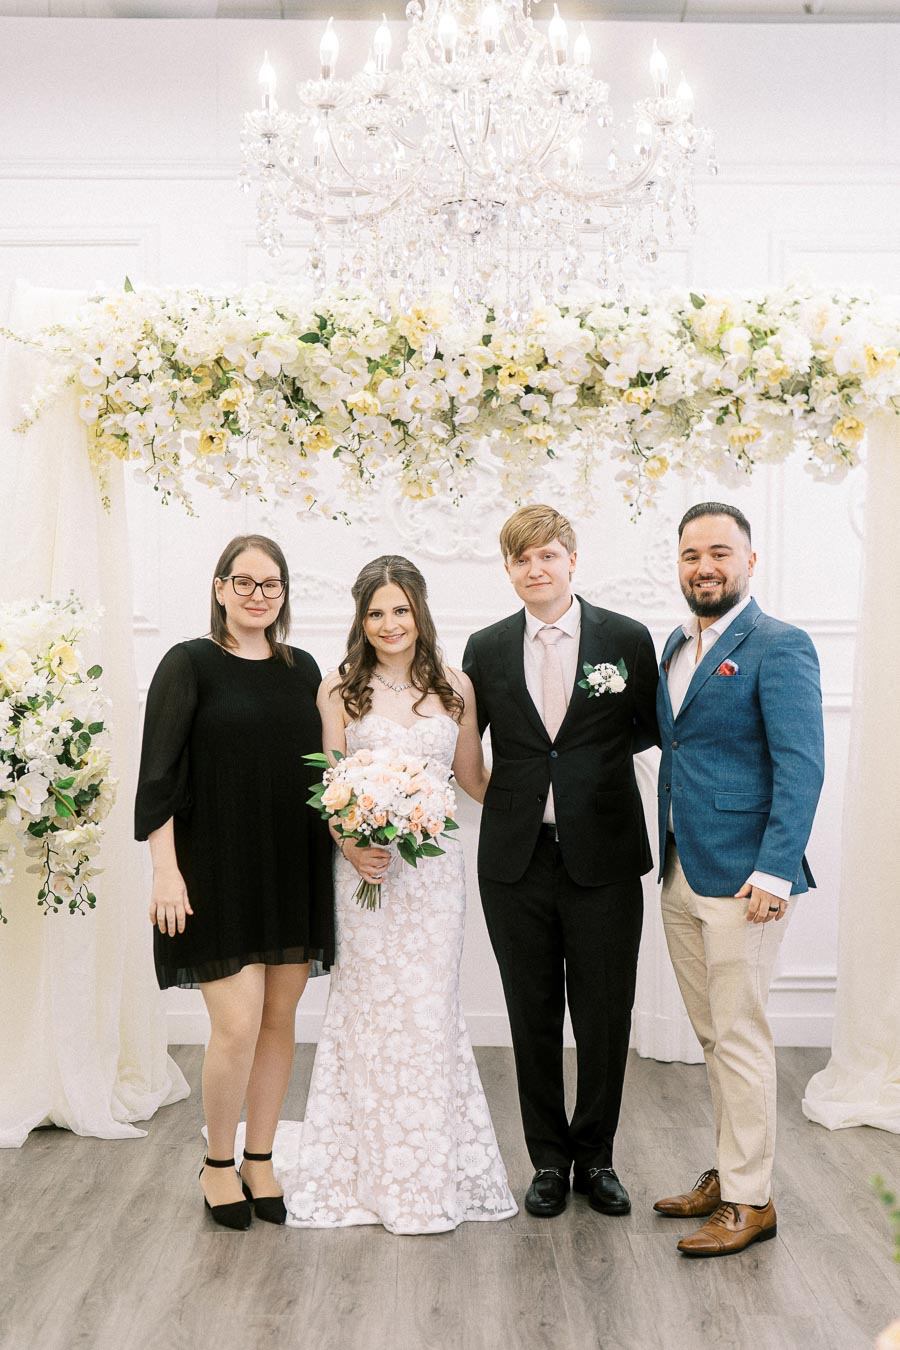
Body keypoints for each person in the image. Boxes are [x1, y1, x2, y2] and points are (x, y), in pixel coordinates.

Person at [279, 555, 517, 1235]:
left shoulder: (455, 685)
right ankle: (364, 1173)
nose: (389, 624)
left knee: (427, 1012)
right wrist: (352, 843)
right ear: (361, 619)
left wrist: (552, 808)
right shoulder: (338, 691)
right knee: (368, 1014)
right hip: (367, 873)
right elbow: (331, 785)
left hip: (435, 878)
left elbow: (473, 779)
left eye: (401, 610)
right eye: (376, 612)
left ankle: (429, 1173)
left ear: (421, 612)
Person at [462, 504, 659, 1220]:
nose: (535, 570)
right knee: (532, 1014)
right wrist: (513, 802)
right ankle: (548, 1160)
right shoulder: (484, 648)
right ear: (508, 569)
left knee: (605, 1015)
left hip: (604, 858)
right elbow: (465, 745)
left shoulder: (626, 639)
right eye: (521, 560)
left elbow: (646, 728)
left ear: (571, 559)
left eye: (547, 556)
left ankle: (597, 1158)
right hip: (515, 865)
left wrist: (584, 786)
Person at [135, 534, 334, 1231]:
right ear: (220, 587)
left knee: (281, 1020)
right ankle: (217, 1162)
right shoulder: (187, 663)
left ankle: (260, 1157)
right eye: (244, 582)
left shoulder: (301, 666)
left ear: (283, 594)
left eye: (271, 584)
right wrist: (166, 870)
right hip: (214, 869)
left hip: (291, 863)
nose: (257, 595)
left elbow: (324, 765)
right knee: (237, 1024)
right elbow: (157, 776)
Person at [653, 502, 824, 1257]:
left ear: (750, 561)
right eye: (692, 555)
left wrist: (776, 873)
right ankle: (731, 1170)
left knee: (743, 1037)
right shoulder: (674, 643)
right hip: (683, 869)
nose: (705, 566)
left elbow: (802, 767)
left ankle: (752, 1200)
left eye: (720, 552)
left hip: (747, 885)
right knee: (713, 1037)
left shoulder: (781, 645)